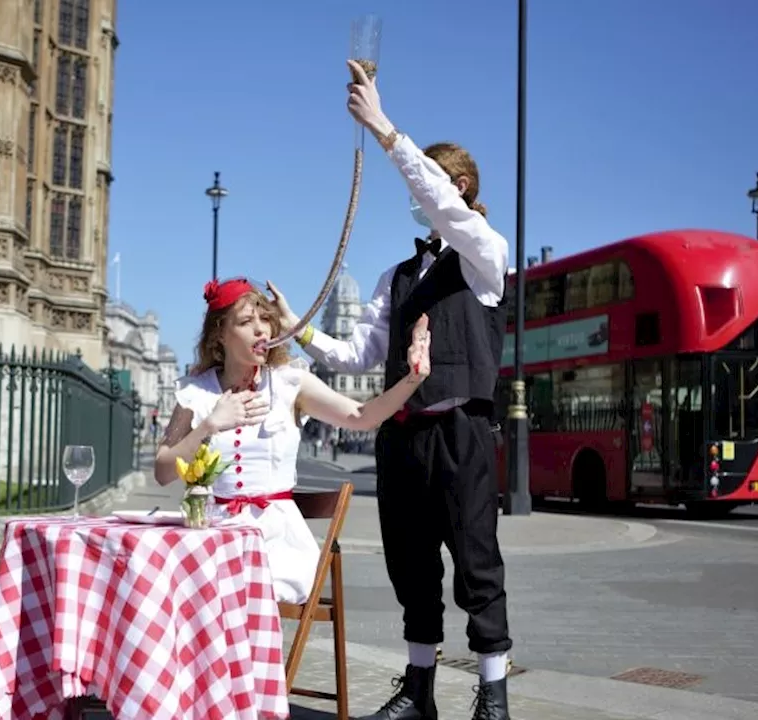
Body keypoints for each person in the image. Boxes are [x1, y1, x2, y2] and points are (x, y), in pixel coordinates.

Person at [268, 60, 513, 720]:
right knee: (412, 566)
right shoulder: (396, 275)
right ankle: (420, 689)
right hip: (404, 435)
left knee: (476, 561)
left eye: (434, 187)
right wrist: (302, 331)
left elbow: (437, 200)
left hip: (462, 431)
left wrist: (382, 126)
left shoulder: (485, 254)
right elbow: (360, 352)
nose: (420, 201)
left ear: (458, 186)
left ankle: (493, 692)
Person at [154, 276, 431, 606]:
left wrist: (413, 379)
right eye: (246, 322)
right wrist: (210, 425)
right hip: (211, 534)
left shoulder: (289, 382)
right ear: (220, 335)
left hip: (276, 541)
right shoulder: (196, 391)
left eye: (266, 320)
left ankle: (241, 657)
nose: (261, 330)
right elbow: (163, 470)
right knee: (164, 583)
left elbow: (362, 416)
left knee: (229, 590)